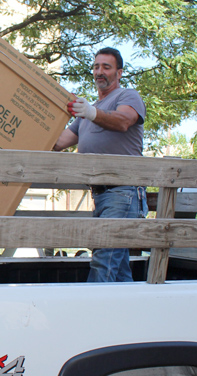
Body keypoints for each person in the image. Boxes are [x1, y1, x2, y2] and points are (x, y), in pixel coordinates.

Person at [53, 47, 148, 283]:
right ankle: (131, 316)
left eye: (106, 67)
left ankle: (89, 316)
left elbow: (124, 121)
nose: (100, 71)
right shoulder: (86, 113)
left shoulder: (127, 96)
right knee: (118, 268)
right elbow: (58, 142)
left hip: (123, 193)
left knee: (104, 263)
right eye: (96, 66)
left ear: (119, 73)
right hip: (102, 195)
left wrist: (92, 112)